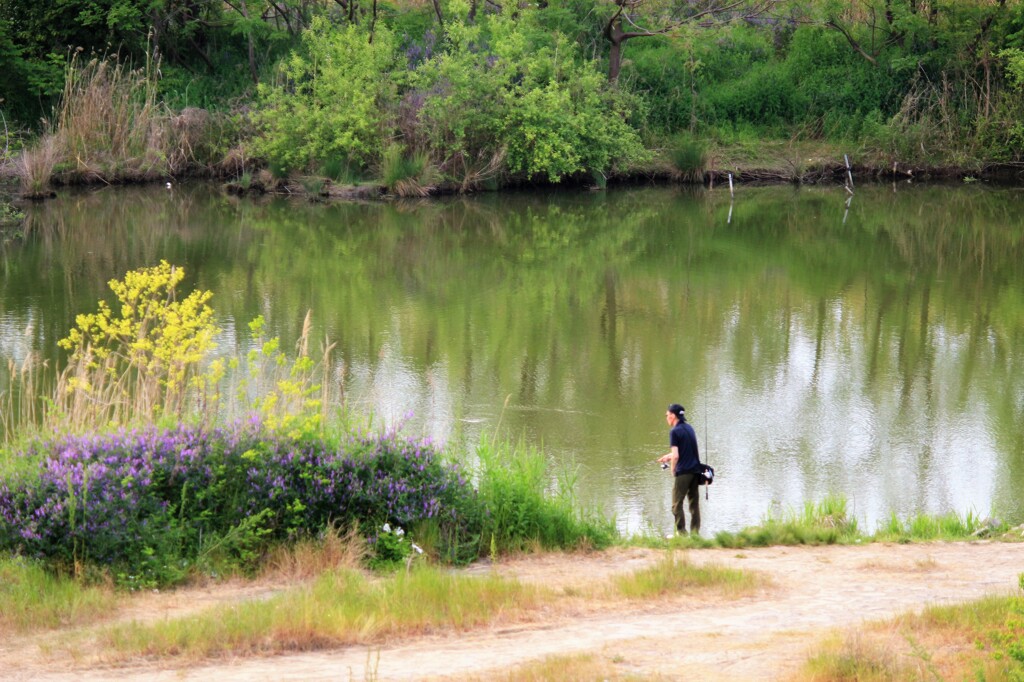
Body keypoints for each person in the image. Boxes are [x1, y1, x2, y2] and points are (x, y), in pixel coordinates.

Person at [657, 403, 701, 535]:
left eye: (667, 415)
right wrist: (668, 456)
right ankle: (695, 535)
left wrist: (673, 470)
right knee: (694, 504)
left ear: (672, 416)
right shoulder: (689, 428)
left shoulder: (674, 432)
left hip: (683, 473)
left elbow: (676, 456)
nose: (666, 417)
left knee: (676, 504)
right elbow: (684, 451)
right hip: (695, 471)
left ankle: (681, 534)